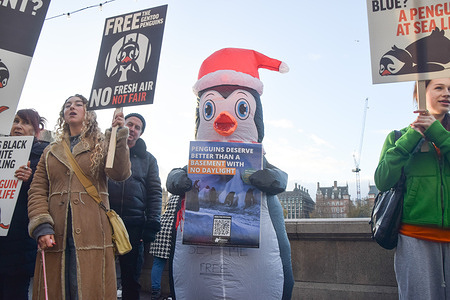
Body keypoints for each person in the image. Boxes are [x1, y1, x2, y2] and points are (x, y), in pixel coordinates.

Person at [27, 94, 131, 299]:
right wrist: (42, 225)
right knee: (58, 289)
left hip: (93, 231)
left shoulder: (102, 142)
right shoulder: (50, 151)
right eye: (67, 105)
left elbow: (119, 173)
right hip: (55, 232)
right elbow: (37, 190)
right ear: (63, 114)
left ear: (88, 113)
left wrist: (118, 136)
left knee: (90, 289)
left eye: (78, 104)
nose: (72, 107)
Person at [375, 78, 450, 299]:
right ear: (420, 93)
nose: (446, 92)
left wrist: (436, 132)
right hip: (415, 238)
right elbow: (382, 180)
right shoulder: (397, 137)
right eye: (439, 87)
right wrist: (412, 137)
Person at [108, 112, 162, 300]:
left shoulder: (149, 160)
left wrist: (152, 224)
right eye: (129, 124)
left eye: (137, 127)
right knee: (100, 274)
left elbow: (155, 193)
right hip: (104, 221)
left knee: (131, 279)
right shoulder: (106, 151)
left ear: (141, 133)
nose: (132, 129)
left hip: (133, 225)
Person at [0, 109, 48, 299]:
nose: (18, 126)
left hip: (19, 240)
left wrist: (29, 181)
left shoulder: (42, 157)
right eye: (16, 121)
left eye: (26, 123)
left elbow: (44, 193)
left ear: (36, 131)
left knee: (14, 292)